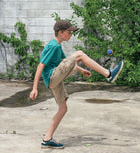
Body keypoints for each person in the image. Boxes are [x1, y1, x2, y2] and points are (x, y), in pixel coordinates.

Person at [29, 20, 124, 149]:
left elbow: (64, 61)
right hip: (52, 77)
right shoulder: (54, 46)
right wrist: (34, 88)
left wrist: (81, 69)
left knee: (63, 109)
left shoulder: (57, 46)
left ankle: (47, 139)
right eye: (69, 32)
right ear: (61, 32)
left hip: (54, 80)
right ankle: (108, 74)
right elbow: (40, 66)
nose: (71, 35)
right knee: (79, 54)